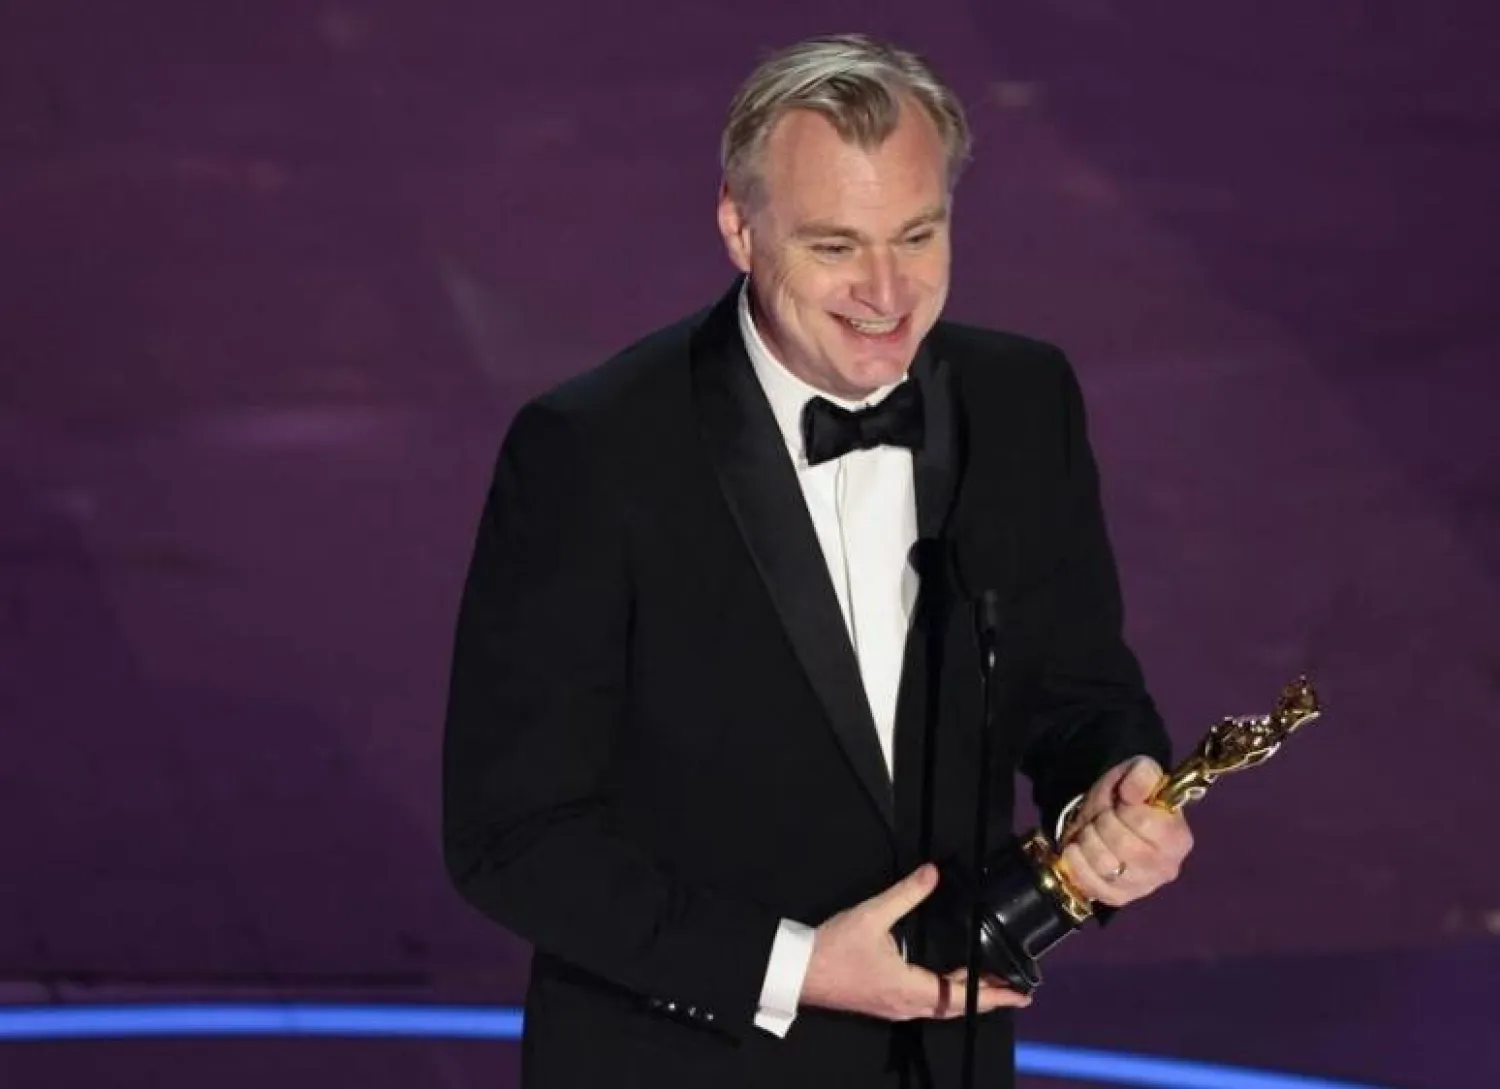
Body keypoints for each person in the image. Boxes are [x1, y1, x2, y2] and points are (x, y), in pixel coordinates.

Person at [442, 33, 1194, 1089]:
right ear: (739, 227)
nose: (886, 292)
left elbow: (1080, 692)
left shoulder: (1023, 403)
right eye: (835, 246)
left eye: (918, 235)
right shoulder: (593, 453)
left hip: (946, 1064)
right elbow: (511, 834)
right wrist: (794, 968)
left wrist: (1108, 805)